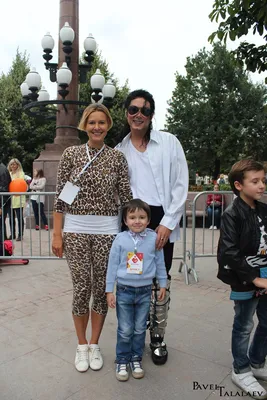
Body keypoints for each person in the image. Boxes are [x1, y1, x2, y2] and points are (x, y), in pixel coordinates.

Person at [52, 104, 132, 374]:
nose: (97, 127)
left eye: (102, 122)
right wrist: (56, 234)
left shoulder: (117, 158)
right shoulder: (71, 154)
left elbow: (126, 196)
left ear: (108, 125)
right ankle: (81, 344)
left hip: (107, 233)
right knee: (81, 288)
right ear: (84, 125)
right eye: (92, 122)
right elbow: (61, 196)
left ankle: (95, 344)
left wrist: (137, 231)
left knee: (101, 289)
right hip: (74, 230)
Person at [116, 89, 188, 364]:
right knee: (135, 278)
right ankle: (134, 335)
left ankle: (157, 337)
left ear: (151, 115)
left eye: (145, 110)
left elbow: (181, 183)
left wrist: (168, 224)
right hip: (133, 222)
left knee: (161, 279)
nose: (139, 114)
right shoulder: (119, 150)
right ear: (126, 113)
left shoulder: (169, 142)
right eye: (133, 109)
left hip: (161, 219)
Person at [217, 159, 267, 399]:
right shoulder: (232, 214)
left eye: (263, 180)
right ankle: (241, 369)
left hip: (265, 276)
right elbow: (229, 251)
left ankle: (257, 363)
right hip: (243, 278)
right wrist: (253, 279)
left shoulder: (263, 209)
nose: (261, 186)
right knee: (244, 324)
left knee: (266, 322)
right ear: (238, 185)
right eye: (255, 181)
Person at [106, 199, 167, 381]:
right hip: (124, 290)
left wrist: (162, 283)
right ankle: (122, 359)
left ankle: (136, 358)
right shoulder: (120, 239)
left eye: (142, 217)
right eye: (132, 217)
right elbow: (112, 265)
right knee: (125, 329)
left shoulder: (153, 238)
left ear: (149, 220)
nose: (137, 221)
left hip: (145, 291)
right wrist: (110, 290)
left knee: (140, 328)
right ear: (125, 220)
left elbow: (159, 262)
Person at [7, 158, 26, 241]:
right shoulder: (8, 174)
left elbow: (20, 183)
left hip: (19, 198)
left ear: (18, 165)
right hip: (10, 199)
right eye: (11, 164)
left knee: (19, 217)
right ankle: (12, 234)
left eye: (14, 164)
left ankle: (20, 234)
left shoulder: (21, 173)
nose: (13, 166)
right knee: (11, 218)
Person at [0, 161, 11, 240]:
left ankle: (4, 249)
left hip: (2, 201)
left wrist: (1, 205)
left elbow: (4, 189)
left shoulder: (2, 170)